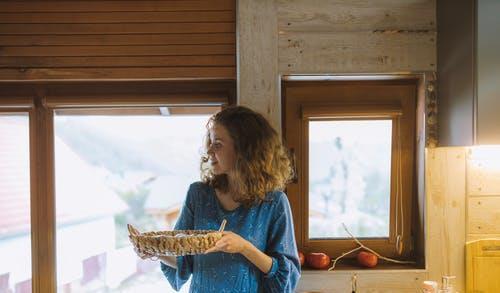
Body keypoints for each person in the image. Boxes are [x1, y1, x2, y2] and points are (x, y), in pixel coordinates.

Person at [142, 106, 300, 292]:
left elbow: (285, 276)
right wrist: (154, 251)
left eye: (217, 144)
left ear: (243, 148)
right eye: (209, 142)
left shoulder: (274, 203)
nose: (208, 151)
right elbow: (184, 260)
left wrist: (243, 247)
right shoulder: (198, 194)